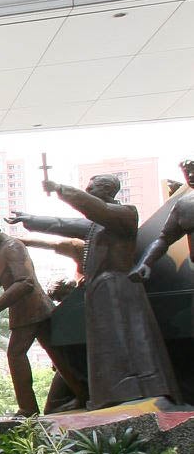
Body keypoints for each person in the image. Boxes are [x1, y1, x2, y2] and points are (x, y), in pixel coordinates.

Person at [40, 173, 181, 409]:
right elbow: (63, 224)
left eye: (91, 188)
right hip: (102, 291)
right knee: (110, 346)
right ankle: (113, 393)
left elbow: (92, 208)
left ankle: (140, 390)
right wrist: (29, 219)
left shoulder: (124, 214)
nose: (87, 191)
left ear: (106, 190)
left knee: (128, 341)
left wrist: (60, 189)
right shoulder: (98, 223)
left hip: (117, 289)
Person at [0, 216, 87, 416]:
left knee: (16, 355)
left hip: (31, 310)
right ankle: (84, 394)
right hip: (33, 310)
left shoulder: (11, 247)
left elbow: (25, 282)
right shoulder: (2, 251)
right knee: (58, 357)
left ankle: (28, 409)